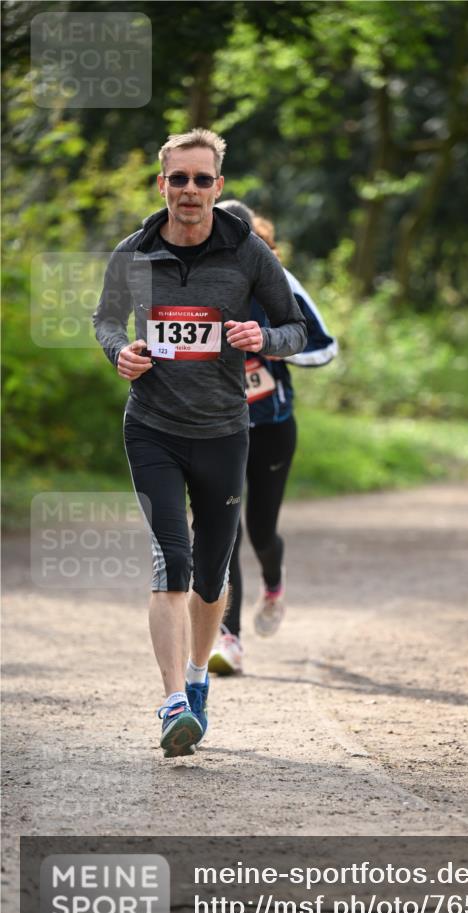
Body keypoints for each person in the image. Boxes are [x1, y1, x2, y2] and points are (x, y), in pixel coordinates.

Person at [93, 130, 306, 757]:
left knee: (212, 574)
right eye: (178, 179)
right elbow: (105, 318)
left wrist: (261, 338)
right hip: (152, 426)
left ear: (218, 185)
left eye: (201, 179)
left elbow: (293, 326)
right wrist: (119, 351)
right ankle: (172, 703)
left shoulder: (247, 253)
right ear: (162, 185)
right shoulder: (132, 253)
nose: (189, 190)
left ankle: (197, 678)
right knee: (172, 558)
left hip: (222, 430)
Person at [208, 201, 337, 675]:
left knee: (260, 529)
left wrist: (270, 344)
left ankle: (274, 581)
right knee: (222, 530)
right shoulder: (190, 272)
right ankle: (228, 639)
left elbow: (324, 346)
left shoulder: (276, 277)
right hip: (214, 426)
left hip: (271, 426)